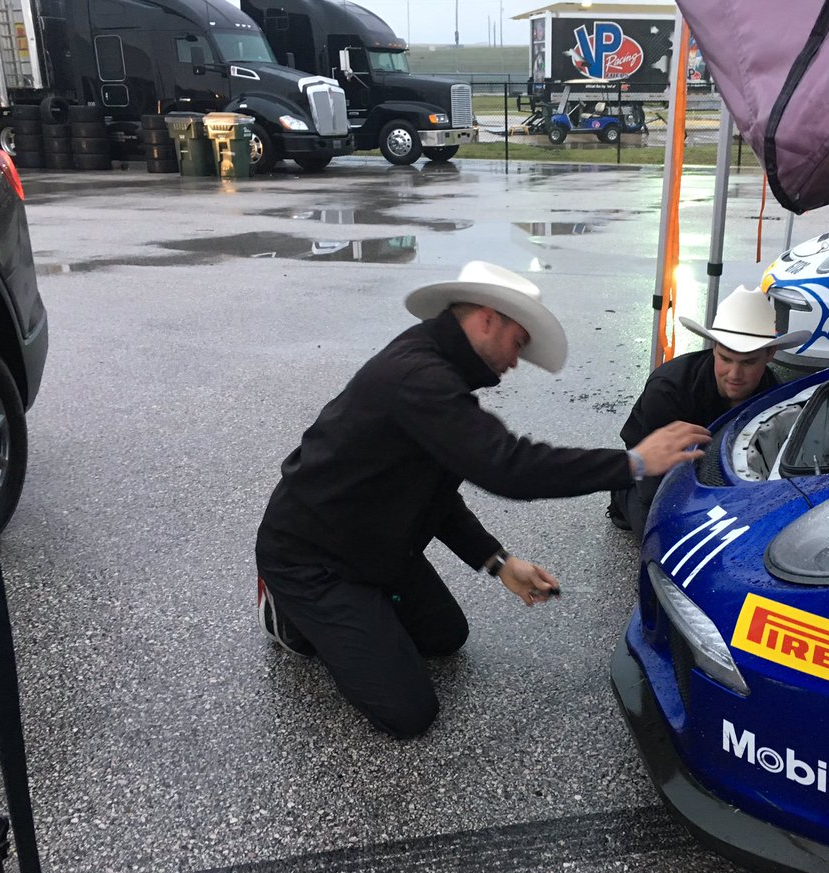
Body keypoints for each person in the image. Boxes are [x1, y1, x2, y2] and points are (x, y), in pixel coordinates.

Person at [255, 261, 711, 738]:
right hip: (312, 555)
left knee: (446, 637)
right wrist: (633, 462)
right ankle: (290, 611)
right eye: (517, 343)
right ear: (488, 318)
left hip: (378, 545)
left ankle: (358, 613)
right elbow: (508, 467)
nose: (515, 362)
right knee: (409, 714)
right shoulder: (417, 376)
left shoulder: (441, 372)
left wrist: (498, 563)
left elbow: (436, 494)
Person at [608, 285, 810, 539]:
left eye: (748, 362)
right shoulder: (668, 388)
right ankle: (622, 493)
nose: (735, 375)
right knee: (665, 535)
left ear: (770, 354)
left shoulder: (776, 396)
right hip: (657, 469)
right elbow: (661, 478)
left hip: (727, 472)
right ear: (714, 347)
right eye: (725, 359)